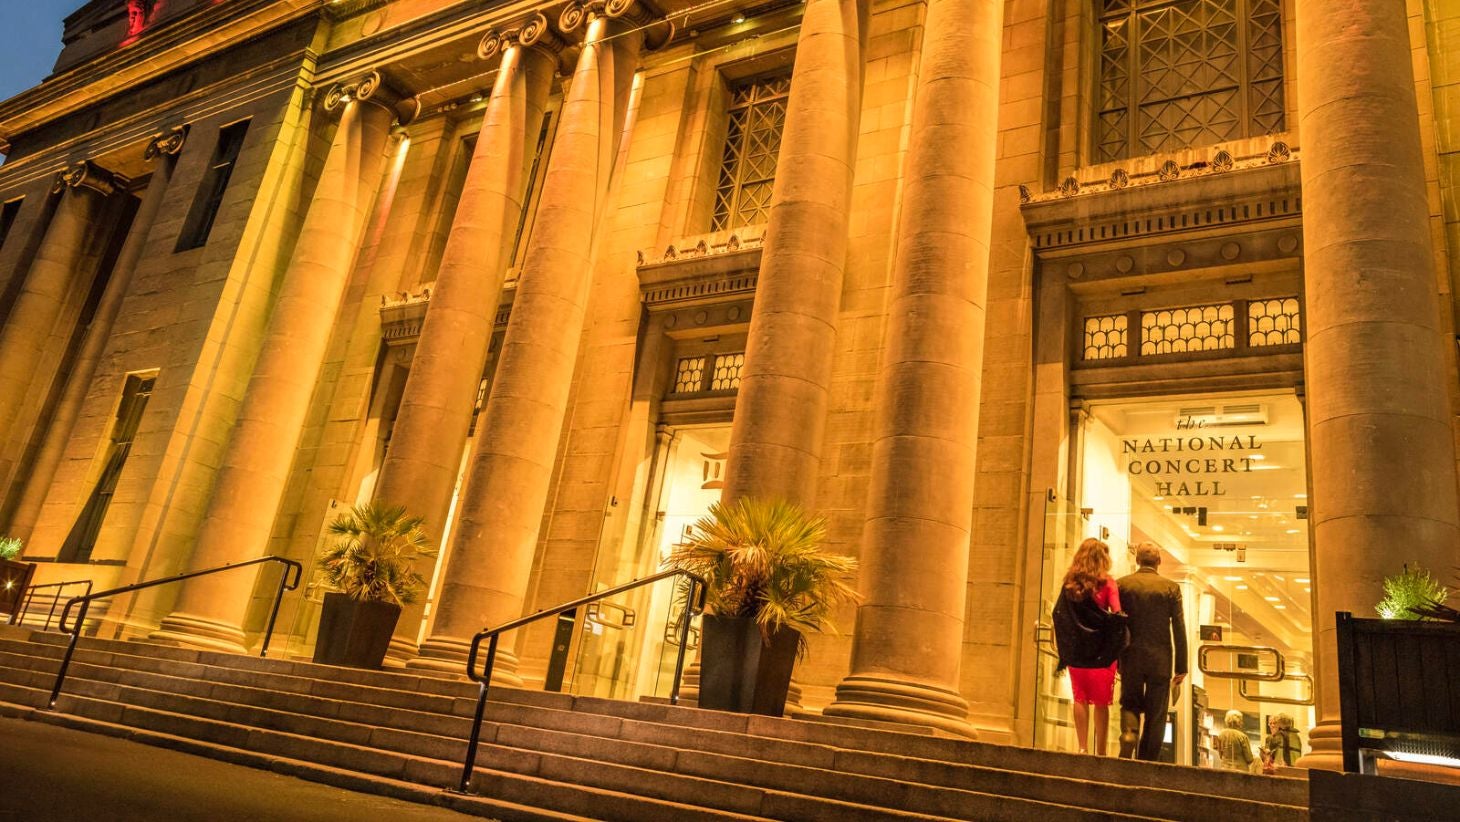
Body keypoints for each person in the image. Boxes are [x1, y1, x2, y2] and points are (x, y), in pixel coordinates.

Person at [1052, 538, 1125, 755]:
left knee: (1080, 698)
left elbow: (1059, 613)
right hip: (1101, 652)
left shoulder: (1070, 584)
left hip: (1077, 652)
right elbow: (1117, 612)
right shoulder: (1108, 583)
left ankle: (1082, 747)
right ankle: (1100, 749)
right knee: (1101, 702)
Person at [1116, 542, 1187, 761]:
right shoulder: (1171, 588)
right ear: (1159, 561)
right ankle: (1147, 762)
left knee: (1130, 702)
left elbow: (1116, 624)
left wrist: (1116, 656)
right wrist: (1181, 667)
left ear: (1137, 560)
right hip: (1160, 659)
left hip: (1131, 656)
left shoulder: (1122, 585)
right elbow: (1179, 627)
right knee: (1157, 715)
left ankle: (1129, 734)